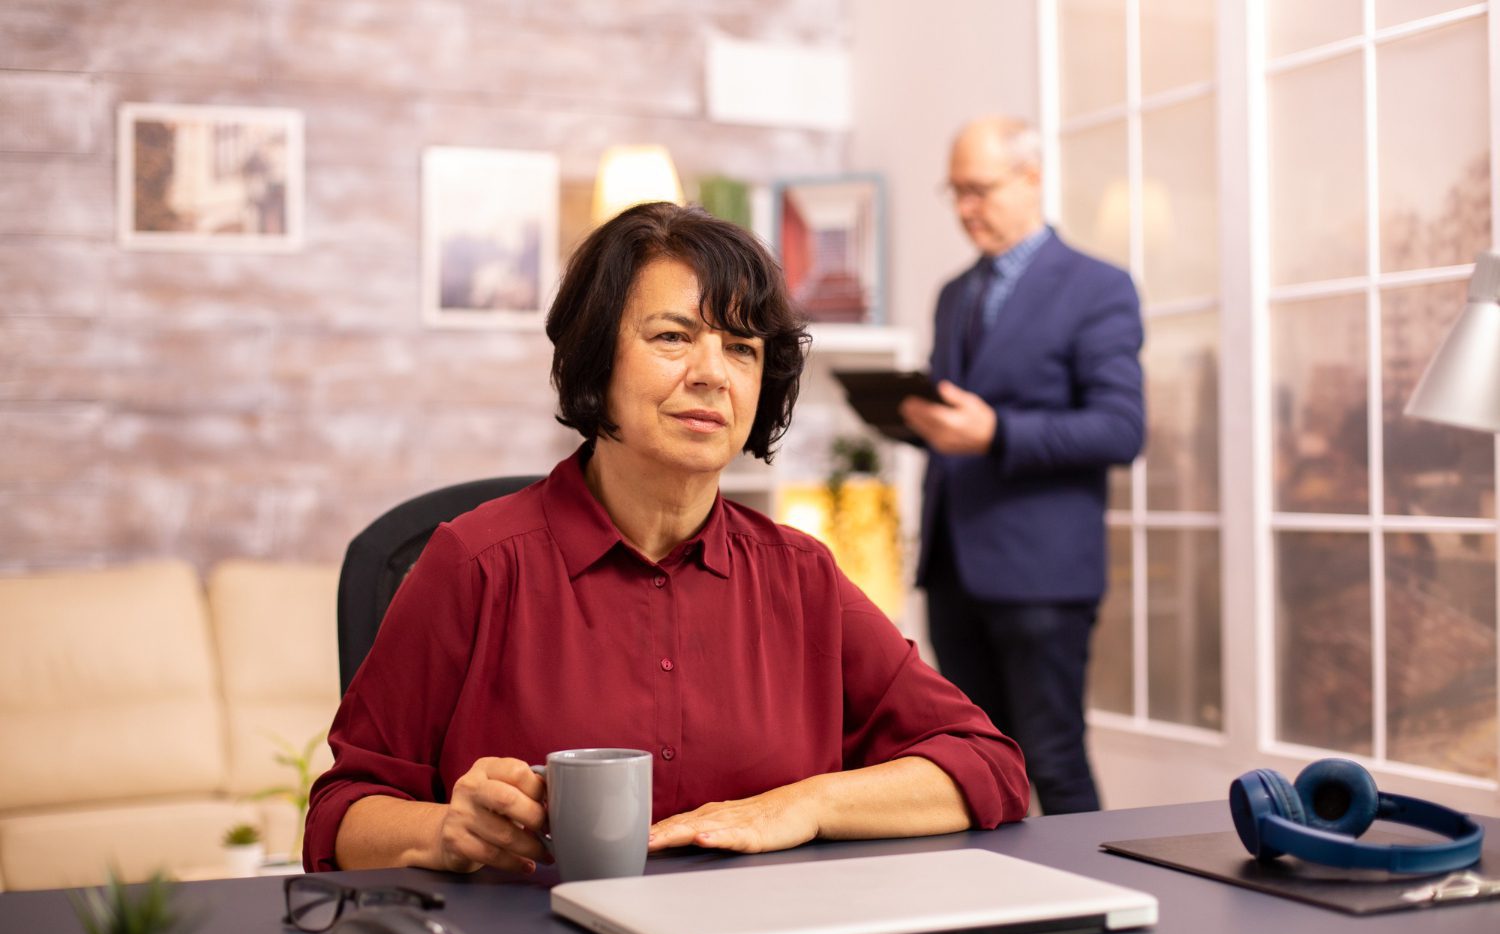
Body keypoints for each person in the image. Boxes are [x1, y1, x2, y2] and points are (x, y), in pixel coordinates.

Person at [304, 202, 1030, 875]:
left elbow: (985, 765)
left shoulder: (801, 575)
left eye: (742, 348)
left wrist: (806, 804)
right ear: (598, 360)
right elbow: (341, 816)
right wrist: (443, 834)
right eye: (672, 337)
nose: (712, 374)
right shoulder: (475, 562)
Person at [899, 118, 1145, 815]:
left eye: (979, 189)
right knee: (976, 764)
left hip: (1042, 577)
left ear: (1032, 177)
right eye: (956, 192)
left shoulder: (1098, 286)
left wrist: (997, 431)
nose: (965, 209)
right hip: (954, 568)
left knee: (1055, 761)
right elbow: (961, 421)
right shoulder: (955, 294)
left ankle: (1099, 909)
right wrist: (915, 419)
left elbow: (1120, 428)